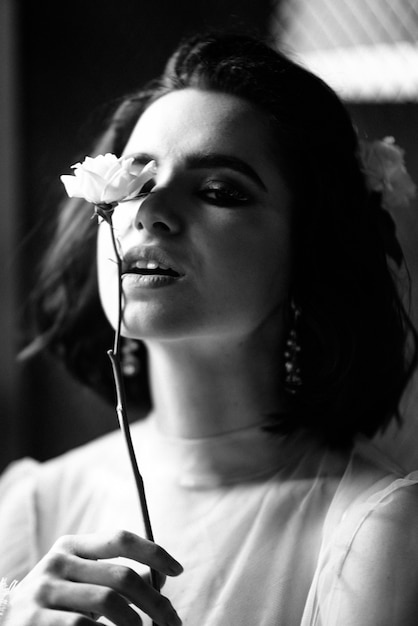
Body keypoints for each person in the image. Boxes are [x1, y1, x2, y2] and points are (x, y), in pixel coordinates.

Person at [1, 30, 418, 626]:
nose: (149, 210)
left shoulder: (375, 535)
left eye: (220, 190)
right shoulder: (31, 509)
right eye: (135, 180)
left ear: (310, 248)